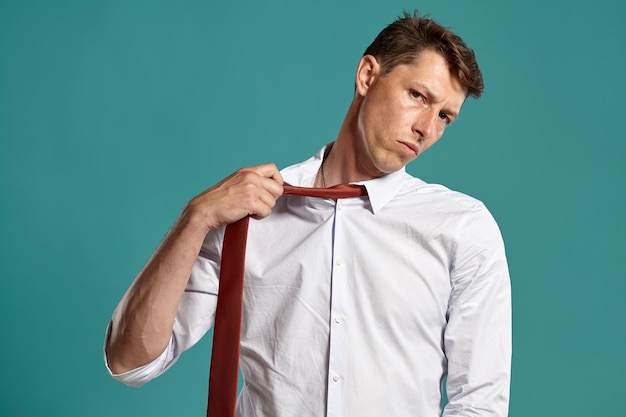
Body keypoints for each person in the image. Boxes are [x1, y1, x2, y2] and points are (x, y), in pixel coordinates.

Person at [105, 10, 511, 417]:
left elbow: (479, 404)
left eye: (444, 116)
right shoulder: (248, 212)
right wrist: (194, 218)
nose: (427, 128)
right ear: (368, 75)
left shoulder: (462, 228)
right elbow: (131, 361)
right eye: (417, 96)